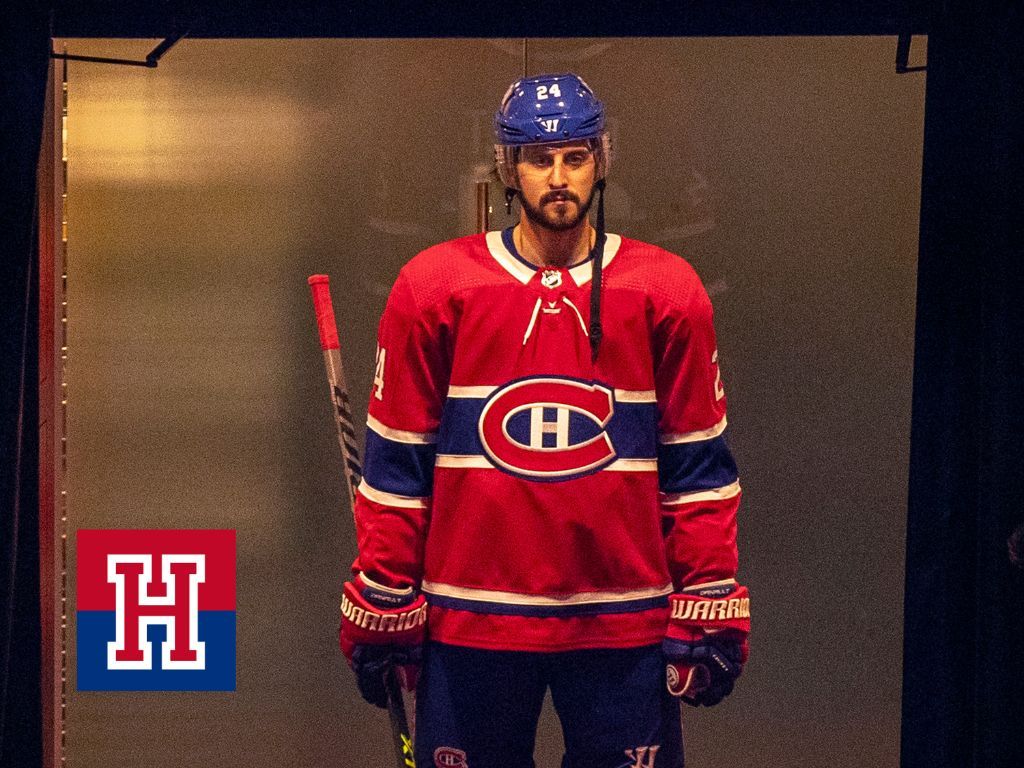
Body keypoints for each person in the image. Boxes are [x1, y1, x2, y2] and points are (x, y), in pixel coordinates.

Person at [338, 72, 750, 768]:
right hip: (472, 623)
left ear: (603, 160)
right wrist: (384, 593)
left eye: (575, 156)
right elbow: (396, 468)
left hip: (623, 623)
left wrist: (708, 593)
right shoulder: (433, 288)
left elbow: (699, 471)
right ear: (507, 165)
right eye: (538, 157)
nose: (558, 177)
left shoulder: (666, 291)